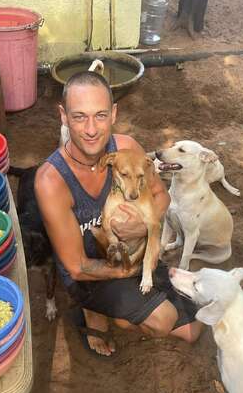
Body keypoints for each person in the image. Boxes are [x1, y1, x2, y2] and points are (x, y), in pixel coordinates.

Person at [35, 71, 202, 356]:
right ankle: (90, 310)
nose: (91, 129)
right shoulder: (51, 181)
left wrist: (142, 228)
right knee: (162, 321)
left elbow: (161, 195)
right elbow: (77, 266)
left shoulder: (127, 149)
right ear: (63, 116)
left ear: (113, 113)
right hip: (90, 273)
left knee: (192, 331)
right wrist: (132, 270)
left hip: (133, 251)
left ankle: (122, 316)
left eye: (100, 115)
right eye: (79, 116)